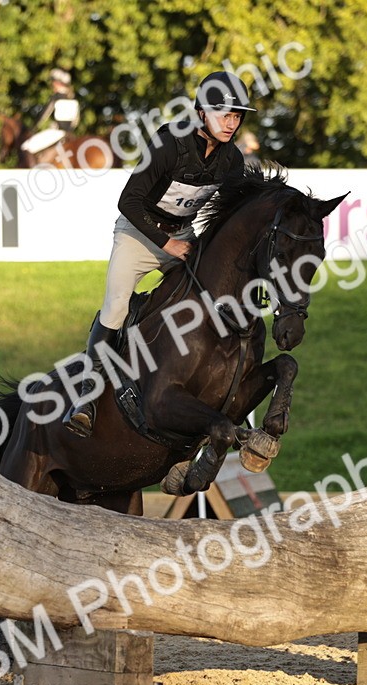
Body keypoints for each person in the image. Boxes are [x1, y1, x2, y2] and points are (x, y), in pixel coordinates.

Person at [62, 71, 255, 437]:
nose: (231, 123)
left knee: (214, 299)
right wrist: (168, 245)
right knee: (116, 306)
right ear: (202, 114)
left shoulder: (231, 160)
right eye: (224, 115)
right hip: (138, 234)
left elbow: (232, 210)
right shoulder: (169, 145)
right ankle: (85, 398)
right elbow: (128, 201)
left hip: (183, 234)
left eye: (236, 116)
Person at [20, 68, 80, 157]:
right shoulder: (74, 99)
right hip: (70, 133)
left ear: (57, 83)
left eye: (53, 82)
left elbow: (44, 115)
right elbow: (76, 120)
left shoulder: (55, 98)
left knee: (26, 147)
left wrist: (33, 128)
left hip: (57, 132)